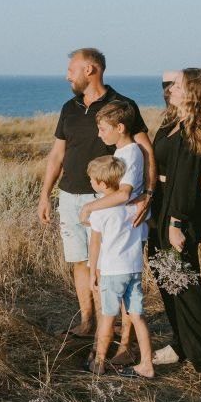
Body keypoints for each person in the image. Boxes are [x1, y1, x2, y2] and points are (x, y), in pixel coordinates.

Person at [38, 48, 155, 340]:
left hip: (105, 201)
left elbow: (145, 150)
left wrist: (149, 193)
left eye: (71, 70)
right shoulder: (69, 108)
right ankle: (87, 323)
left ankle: (112, 331)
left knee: (106, 266)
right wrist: (45, 194)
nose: (67, 76)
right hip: (69, 197)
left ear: (90, 69)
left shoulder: (121, 105)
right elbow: (57, 154)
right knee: (80, 262)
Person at [148, 68, 201, 399]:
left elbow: (185, 182)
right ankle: (181, 344)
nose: (169, 88)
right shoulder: (172, 123)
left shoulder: (195, 130)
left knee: (184, 288)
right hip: (160, 208)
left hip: (177, 214)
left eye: (178, 85)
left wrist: (176, 223)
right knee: (166, 282)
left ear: (194, 93)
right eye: (169, 85)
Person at [79, 99, 148, 366]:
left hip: (121, 243)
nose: (100, 135)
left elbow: (124, 193)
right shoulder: (122, 152)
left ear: (120, 128)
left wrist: (90, 207)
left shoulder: (130, 154)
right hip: (125, 244)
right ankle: (123, 350)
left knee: (117, 306)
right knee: (129, 303)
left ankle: (117, 351)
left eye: (103, 129)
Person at [84, 155, 155, 379]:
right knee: (137, 316)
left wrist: (92, 272)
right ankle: (147, 363)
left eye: (92, 179)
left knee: (107, 317)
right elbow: (148, 220)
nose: (90, 182)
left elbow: (95, 244)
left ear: (101, 184)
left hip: (112, 271)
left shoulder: (100, 211)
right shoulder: (135, 204)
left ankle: (99, 363)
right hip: (133, 268)